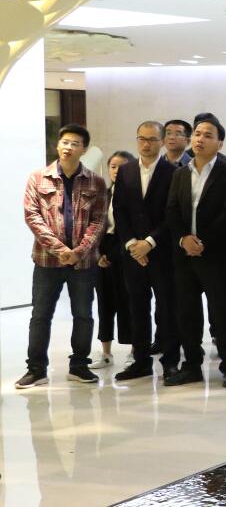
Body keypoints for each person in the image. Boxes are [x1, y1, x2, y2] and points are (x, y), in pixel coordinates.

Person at [16, 125, 108, 389]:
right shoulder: (38, 178)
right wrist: (60, 250)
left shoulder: (95, 182)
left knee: (83, 314)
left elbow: (99, 221)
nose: (68, 147)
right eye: (65, 142)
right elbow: (32, 217)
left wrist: (78, 252)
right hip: (47, 261)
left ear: (84, 149)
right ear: (57, 145)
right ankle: (36, 369)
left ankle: (79, 365)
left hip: (83, 263)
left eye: (75, 143)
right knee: (40, 315)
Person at [164, 114, 226, 388]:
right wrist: (184, 239)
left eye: (208, 135)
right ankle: (192, 366)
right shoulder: (180, 173)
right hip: (184, 256)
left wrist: (202, 241)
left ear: (220, 143)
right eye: (197, 134)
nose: (200, 139)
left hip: (217, 255)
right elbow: (172, 210)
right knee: (187, 314)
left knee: (222, 313)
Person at [110, 122, 180, 382]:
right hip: (133, 255)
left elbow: (172, 213)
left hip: (161, 252)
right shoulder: (126, 170)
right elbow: (119, 210)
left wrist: (149, 242)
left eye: (152, 139)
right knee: (137, 308)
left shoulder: (173, 172)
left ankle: (170, 362)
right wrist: (131, 244)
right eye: (142, 138)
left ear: (162, 142)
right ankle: (140, 361)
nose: (146, 144)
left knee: (167, 309)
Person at [92, 150, 135, 370]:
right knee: (104, 303)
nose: (117, 170)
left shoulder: (135, 195)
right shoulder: (103, 194)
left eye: (122, 166)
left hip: (127, 249)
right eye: (113, 166)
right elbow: (95, 226)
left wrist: (114, 253)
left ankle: (135, 351)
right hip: (103, 249)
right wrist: (98, 254)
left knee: (129, 302)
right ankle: (106, 353)